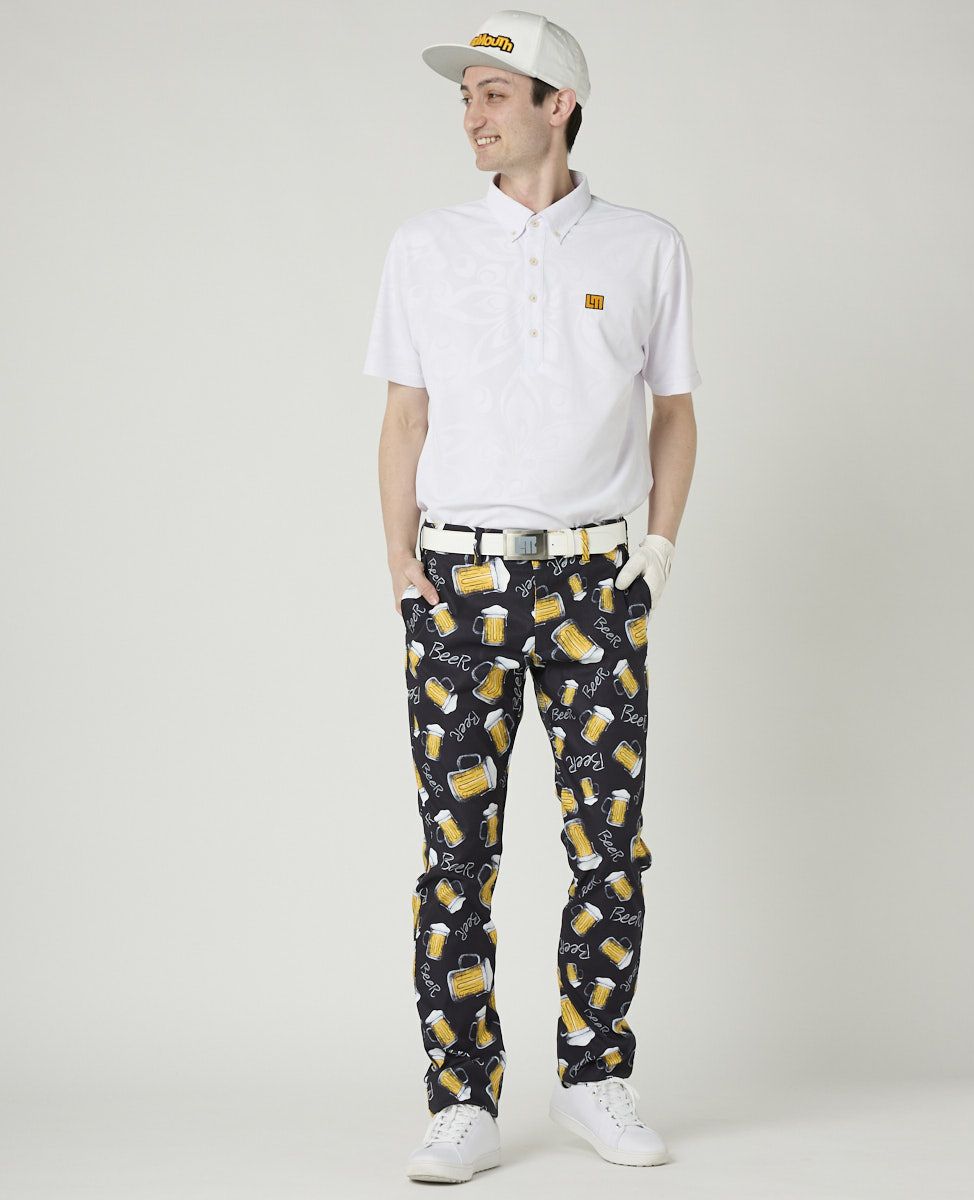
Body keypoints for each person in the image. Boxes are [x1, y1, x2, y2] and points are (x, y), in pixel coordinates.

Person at [362, 9, 702, 1183]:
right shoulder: (425, 246)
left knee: (609, 845)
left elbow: (673, 412)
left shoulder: (644, 248)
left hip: (594, 584)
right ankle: (461, 1098)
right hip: (458, 581)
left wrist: (657, 547)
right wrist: (401, 566)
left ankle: (595, 1076)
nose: (472, 114)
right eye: (465, 95)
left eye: (495, 93)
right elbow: (403, 416)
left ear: (559, 105)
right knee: (454, 854)